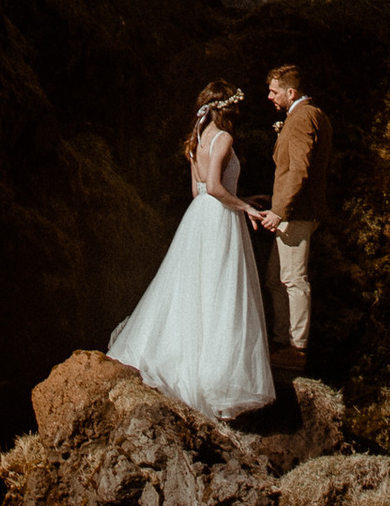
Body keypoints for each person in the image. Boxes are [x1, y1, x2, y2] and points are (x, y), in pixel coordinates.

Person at [105, 82, 277, 421]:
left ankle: (185, 365)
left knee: (192, 292)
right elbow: (214, 188)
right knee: (220, 295)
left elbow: (198, 192)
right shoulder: (224, 138)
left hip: (198, 219)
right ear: (228, 109)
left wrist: (242, 199)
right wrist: (245, 208)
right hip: (219, 221)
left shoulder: (197, 139)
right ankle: (215, 380)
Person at [255, 61, 331, 371]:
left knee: (293, 279)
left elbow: (300, 170)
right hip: (292, 212)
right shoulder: (302, 116)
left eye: (273, 92)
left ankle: (296, 349)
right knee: (276, 278)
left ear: (291, 91)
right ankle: (281, 340)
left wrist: (279, 211)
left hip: (296, 213)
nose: (269, 97)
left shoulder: (302, 118)